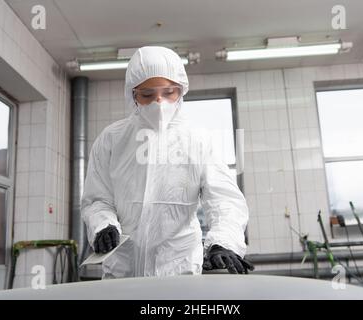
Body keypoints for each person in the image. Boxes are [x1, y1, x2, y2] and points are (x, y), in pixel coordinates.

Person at [81, 46, 254, 278]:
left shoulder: (197, 139)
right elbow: (97, 199)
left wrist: (223, 241)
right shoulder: (112, 139)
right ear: (133, 94)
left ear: (181, 90)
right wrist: (103, 225)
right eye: (147, 94)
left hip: (178, 268)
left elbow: (224, 199)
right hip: (123, 270)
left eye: (168, 92)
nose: (159, 102)